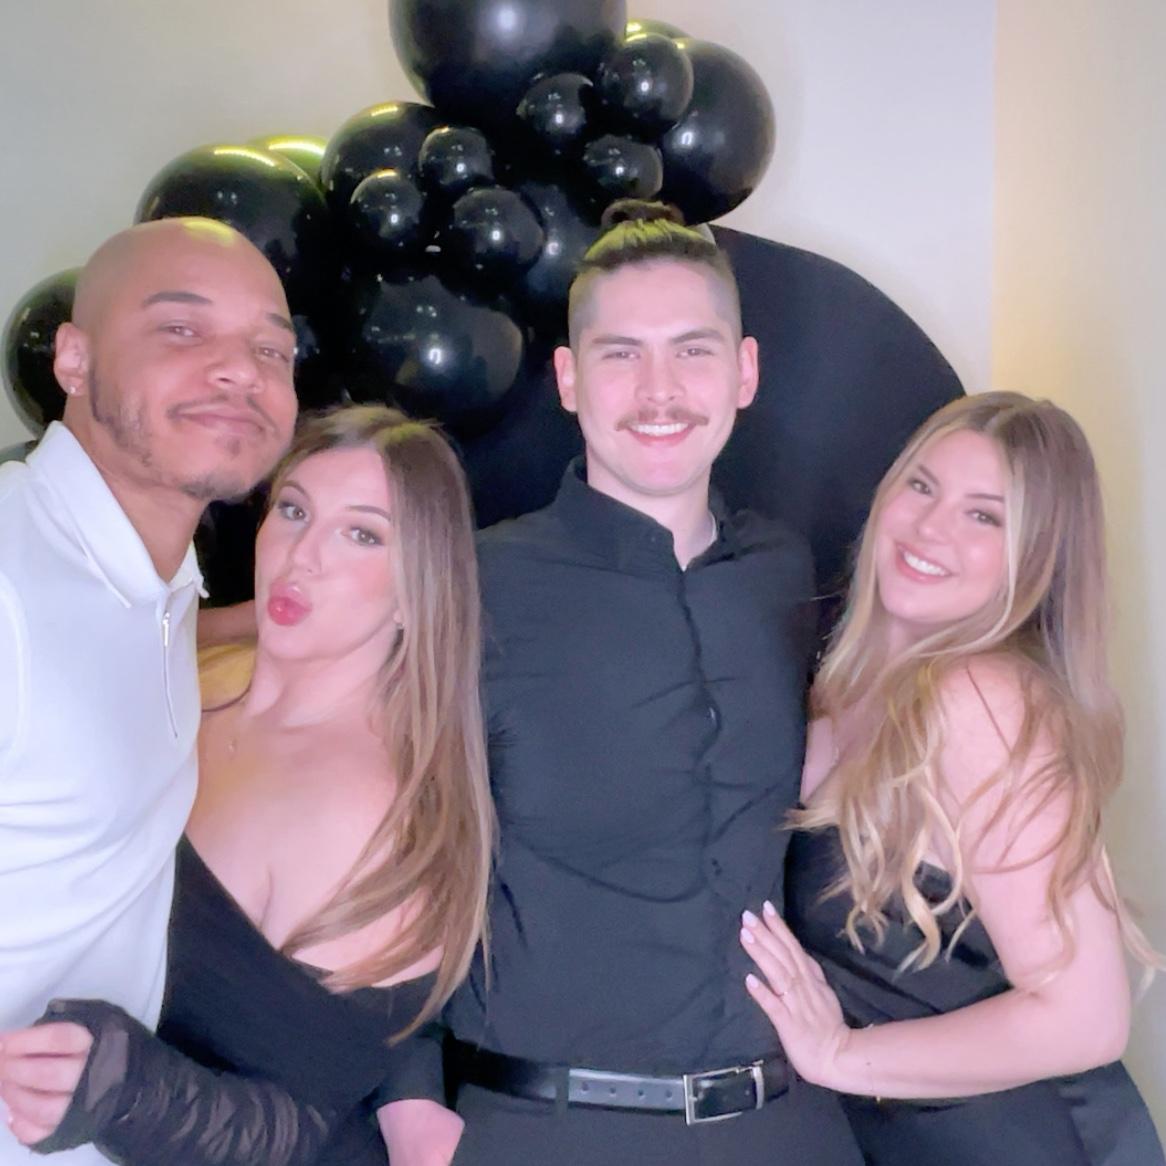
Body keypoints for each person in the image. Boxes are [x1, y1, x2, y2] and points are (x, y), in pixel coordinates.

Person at [443, 201, 863, 1164]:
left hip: (783, 1124)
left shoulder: (786, 572)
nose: (659, 390)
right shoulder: (476, 582)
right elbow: (391, 850)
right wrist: (407, 1095)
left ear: (745, 371)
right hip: (543, 1129)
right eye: (622, 354)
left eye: (692, 351)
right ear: (568, 378)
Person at [0, 406, 493, 1166]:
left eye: (362, 535)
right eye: (293, 511)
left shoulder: (373, 818)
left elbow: (297, 1125)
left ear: (417, 588)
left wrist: (123, 1087)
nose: (303, 557)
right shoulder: (191, 676)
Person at [740, 391, 1165, 1164]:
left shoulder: (978, 700)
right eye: (922, 486)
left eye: (984, 517)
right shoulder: (833, 685)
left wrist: (839, 1054)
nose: (932, 527)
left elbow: (1087, 1018)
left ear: (1034, 560)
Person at [0, 217, 298, 1165]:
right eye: (181, 329)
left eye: (272, 350)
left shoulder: (157, 583)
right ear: (75, 360)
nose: (239, 370)